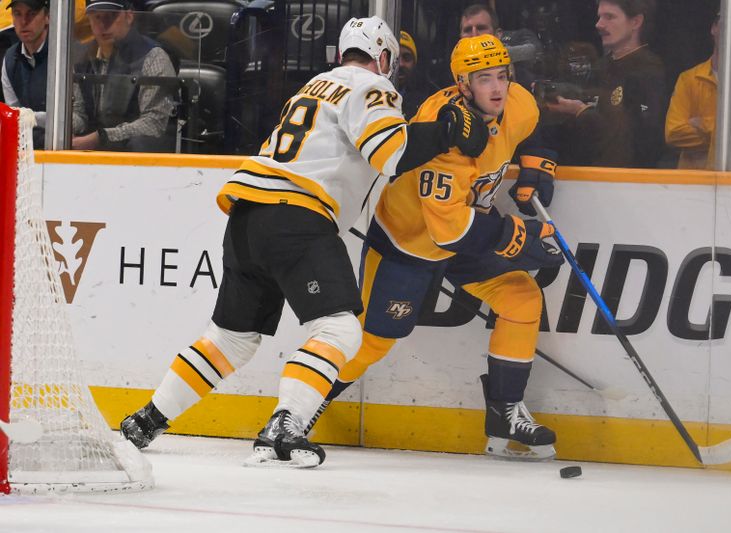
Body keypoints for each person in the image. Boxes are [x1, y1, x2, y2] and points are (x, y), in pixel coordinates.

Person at [119, 16, 489, 468]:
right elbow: (390, 154)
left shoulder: (312, 86)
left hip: (246, 216)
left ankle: (148, 417)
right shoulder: (372, 86)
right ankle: (286, 423)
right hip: (296, 217)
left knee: (231, 338)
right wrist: (445, 130)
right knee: (340, 327)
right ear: (384, 57)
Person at [306, 35, 565, 461]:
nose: (498, 88)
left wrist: (538, 160)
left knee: (521, 297)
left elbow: (534, 124)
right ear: (463, 85)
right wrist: (519, 239)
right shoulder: (444, 133)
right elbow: (448, 232)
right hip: (411, 242)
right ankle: (299, 408)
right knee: (371, 342)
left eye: (503, 76)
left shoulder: (515, 101)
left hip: (466, 228)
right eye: (485, 79)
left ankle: (504, 412)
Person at [547, 0, 667, 168]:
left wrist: (581, 112)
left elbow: (641, 136)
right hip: (584, 174)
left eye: (609, 17)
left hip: (627, 179)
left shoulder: (648, 71)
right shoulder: (600, 67)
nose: (599, 25)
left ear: (636, 22)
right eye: (599, 17)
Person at [71, 0, 176, 152]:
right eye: (97, 17)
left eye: (111, 16)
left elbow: (154, 124)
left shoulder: (153, 56)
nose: (103, 25)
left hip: (135, 158)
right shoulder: (81, 59)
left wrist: (102, 138)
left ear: (129, 16)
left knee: (140, 144)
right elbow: (80, 114)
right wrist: (62, 127)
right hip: (93, 151)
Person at [665, 14, 722, 169]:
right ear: (713, 28)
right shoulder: (689, 79)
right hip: (691, 183)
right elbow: (673, 134)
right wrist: (723, 136)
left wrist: (704, 123)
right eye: (725, 24)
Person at [2, 0, 49, 148]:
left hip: (64, 147)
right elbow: (14, 114)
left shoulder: (65, 54)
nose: (24, 21)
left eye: (32, 14)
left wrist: (30, 118)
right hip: (28, 147)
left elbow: (72, 120)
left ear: (47, 16)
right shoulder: (10, 58)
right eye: (18, 14)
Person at [397, 30, 428, 119]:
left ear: (414, 63)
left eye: (406, 58)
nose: (401, 64)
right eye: (396, 57)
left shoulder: (425, 102)